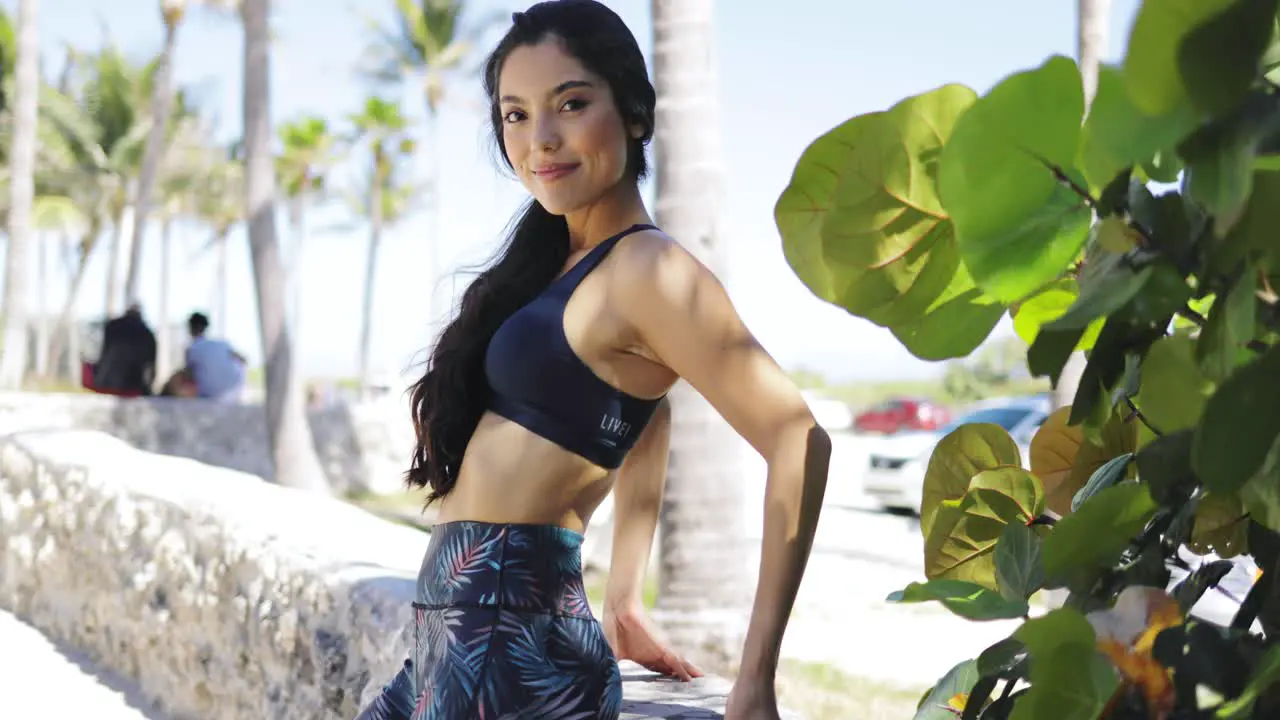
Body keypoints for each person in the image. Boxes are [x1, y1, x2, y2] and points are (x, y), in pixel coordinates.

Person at [355, 2, 831, 718]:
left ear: (635, 113)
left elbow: (798, 439)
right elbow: (645, 410)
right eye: (514, 115)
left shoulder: (649, 268)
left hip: (507, 638)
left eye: (570, 104)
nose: (539, 139)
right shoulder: (555, 258)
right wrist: (626, 598)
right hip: (453, 630)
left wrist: (755, 677)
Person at [91, 303, 157, 396]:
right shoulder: (147, 333)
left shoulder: (112, 326)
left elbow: (103, 353)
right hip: (133, 386)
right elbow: (151, 367)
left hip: (106, 382)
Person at [182, 312, 247, 403]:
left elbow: (187, 376)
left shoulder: (192, 349)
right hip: (234, 395)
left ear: (190, 328)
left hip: (209, 398)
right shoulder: (223, 344)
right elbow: (243, 360)